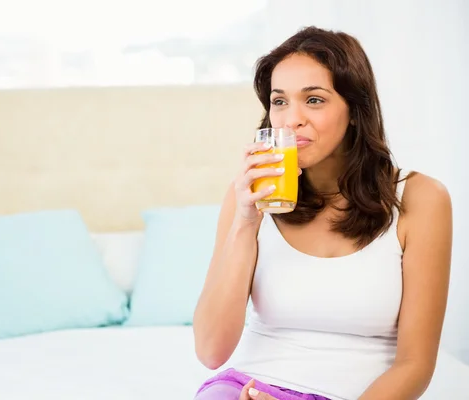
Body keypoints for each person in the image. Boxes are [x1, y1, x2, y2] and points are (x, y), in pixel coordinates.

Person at [192, 26, 452, 400]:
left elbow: (416, 365)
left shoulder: (420, 198)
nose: (290, 119)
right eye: (279, 101)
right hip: (247, 389)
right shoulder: (249, 198)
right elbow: (211, 350)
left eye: (313, 100)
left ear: (355, 111)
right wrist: (245, 223)